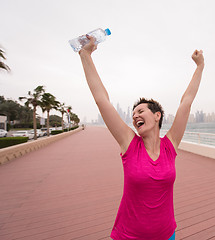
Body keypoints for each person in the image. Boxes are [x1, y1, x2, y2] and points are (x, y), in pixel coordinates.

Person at [78, 35, 204, 240]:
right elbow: (102, 100)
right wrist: (85, 55)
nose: (135, 115)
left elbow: (186, 103)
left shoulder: (169, 146)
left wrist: (199, 66)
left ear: (157, 115)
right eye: (133, 112)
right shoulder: (129, 143)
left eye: (140, 110)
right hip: (130, 236)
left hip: (167, 235)